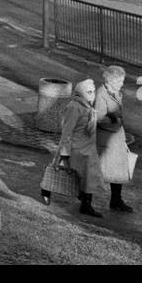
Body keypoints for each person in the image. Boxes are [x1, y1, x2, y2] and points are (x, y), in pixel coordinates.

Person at [56, 78, 107, 217]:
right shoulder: (74, 106)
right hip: (78, 149)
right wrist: (64, 152)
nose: (92, 94)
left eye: (93, 91)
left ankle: (86, 203)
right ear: (80, 93)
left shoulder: (87, 105)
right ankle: (86, 205)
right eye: (88, 91)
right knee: (85, 178)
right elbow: (67, 131)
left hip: (88, 149)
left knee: (89, 178)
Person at [94, 65, 134, 212]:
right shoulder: (101, 94)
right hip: (106, 140)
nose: (122, 84)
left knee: (118, 172)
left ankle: (116, 200)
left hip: (116, 138)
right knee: (98, 172)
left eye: (122, 81)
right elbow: (98, 118)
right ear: (110, 80)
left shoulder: (115, 92)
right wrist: (114, 120)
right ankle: (85, 200)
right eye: (119, 81)